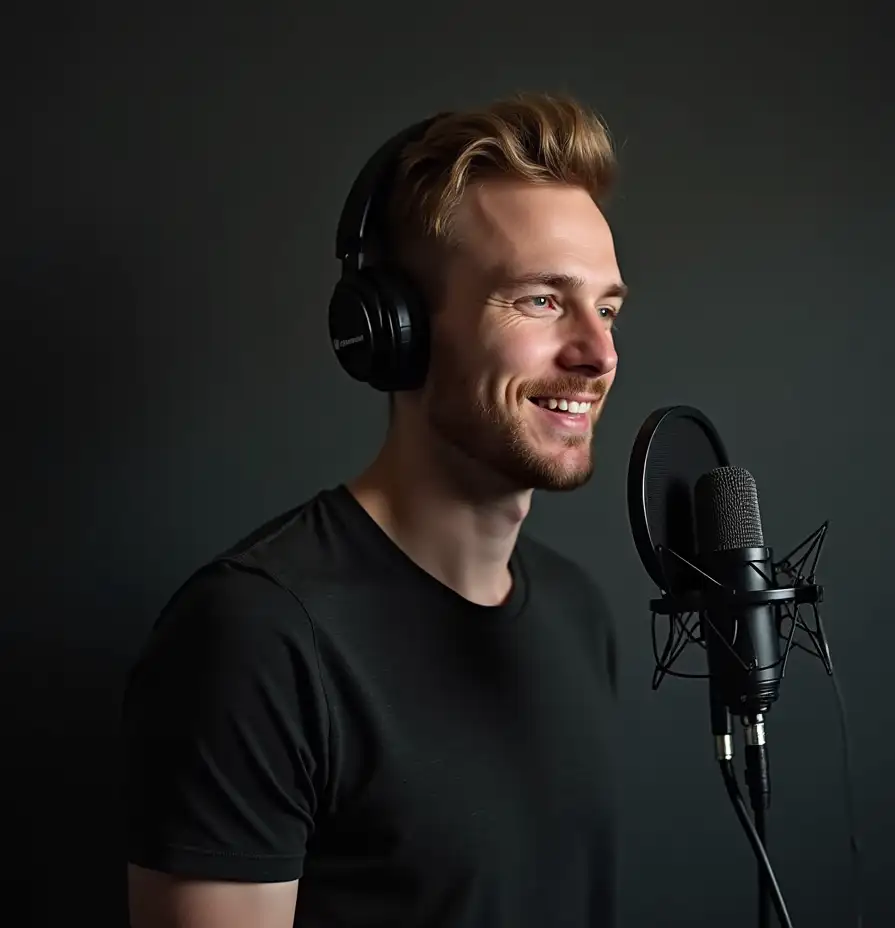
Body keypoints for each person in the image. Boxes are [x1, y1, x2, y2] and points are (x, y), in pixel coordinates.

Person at [121, 91, 627, 928]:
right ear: (394, 330)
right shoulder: (256, 639)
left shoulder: (579, 613)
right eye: (541, 300)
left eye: (607, 307)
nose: (599, 352)